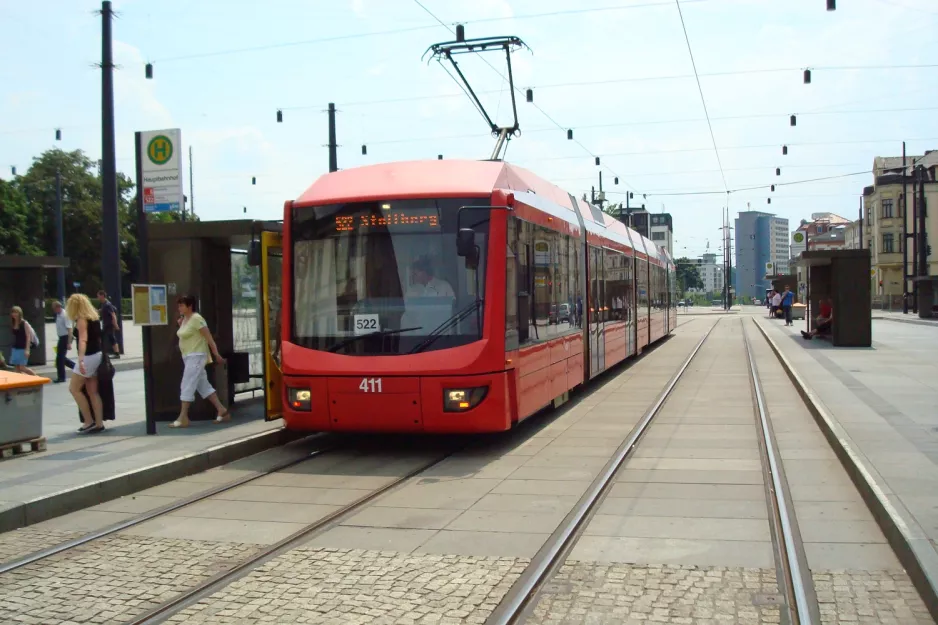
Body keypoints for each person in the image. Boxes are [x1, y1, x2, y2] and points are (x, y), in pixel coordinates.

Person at [170, 295, 229, 428]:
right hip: (188, 356)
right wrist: (180, 324)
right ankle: (221, 409)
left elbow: (209, 338)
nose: (179, 308)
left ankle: (183, 416)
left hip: (196, 355)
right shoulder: (185, 319)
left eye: (181, 305)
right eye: (178, 305)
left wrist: (216, 354)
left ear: (189, 306)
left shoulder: (197, 319)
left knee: (187, 382)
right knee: (202, 384)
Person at [66, 294, 106, 434]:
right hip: (97, 355)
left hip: (88, 356)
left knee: (74, 388)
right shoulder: (94, 318)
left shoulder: (81, 320)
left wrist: (81, 359)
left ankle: (88, 420)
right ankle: (99, 423)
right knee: (92, 391)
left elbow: (83, 340)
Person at [9, 306, 37, 376]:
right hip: (15, 347)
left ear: (19, 313)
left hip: (23, 348)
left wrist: (27, 349)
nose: (14, 314)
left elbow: (28, 337)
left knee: (22, 368)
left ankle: (37, 378)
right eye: (13, 312)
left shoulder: (24, 323)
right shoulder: (13, 323)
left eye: (16, 312)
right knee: (17, 368)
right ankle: (21, 383)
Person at [52, 300, 75, 383]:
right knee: (61, 358)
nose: (53, 310)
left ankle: (61, 377)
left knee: (59, 359)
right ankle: (75, 367)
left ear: (58, 307)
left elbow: (70, 330)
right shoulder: (58, 315)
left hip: (65, 338)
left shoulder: (65, 315)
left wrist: (69, 343)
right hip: (61, 337)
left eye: (54, 308)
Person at [97, 290, 121, 359]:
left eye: (98, 296)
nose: (98, 297)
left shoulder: (107, 304)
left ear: (102, 296)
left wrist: (115, 324)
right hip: (106, 324)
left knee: (110, 338)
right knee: (109, 338)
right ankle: (113, 353)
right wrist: (97, 311)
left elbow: (113, 315)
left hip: (109, 324)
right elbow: (103, 310)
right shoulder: (104, 304)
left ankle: (116, 353)